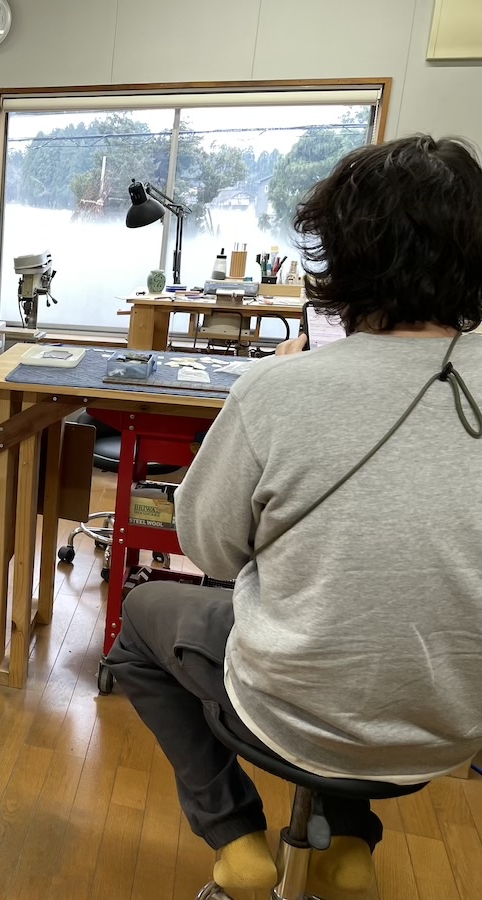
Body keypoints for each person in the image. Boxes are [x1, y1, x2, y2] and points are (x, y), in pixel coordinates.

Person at [106, 134, 482, 898]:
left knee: (142, 624)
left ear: (340, 254)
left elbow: (209, 548)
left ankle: (235, 838)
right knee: (367, 623)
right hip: (453, 727)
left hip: (287, 713)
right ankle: (348, 841)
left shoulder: (279, 391)